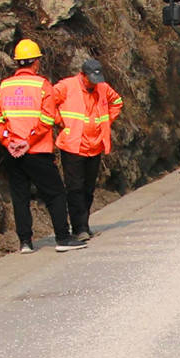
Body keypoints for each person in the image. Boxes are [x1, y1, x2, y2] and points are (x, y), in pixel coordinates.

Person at [0, 39, 86, 253]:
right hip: (38, 150)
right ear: (36, 63)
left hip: (12, 152)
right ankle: (63, 237)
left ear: (17, 63)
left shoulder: (2, 88)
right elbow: (47, 119)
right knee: (55, 194)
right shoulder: (42, 86)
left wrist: (9, 141)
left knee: (20, 196)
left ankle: (25, 242)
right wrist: (28, 141)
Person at [54, 57, 124, 241]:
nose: (94, 85)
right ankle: (79, 228)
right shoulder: (66, 86)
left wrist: (107, 122)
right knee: (74, 187)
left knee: (88, 188)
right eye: (91, 80)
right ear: (82, 75)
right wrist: (58, 121)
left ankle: (83, 224)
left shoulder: (103, 88)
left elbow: (117, 102)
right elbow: (48, 102)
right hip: (73, 145)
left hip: (95, 145)